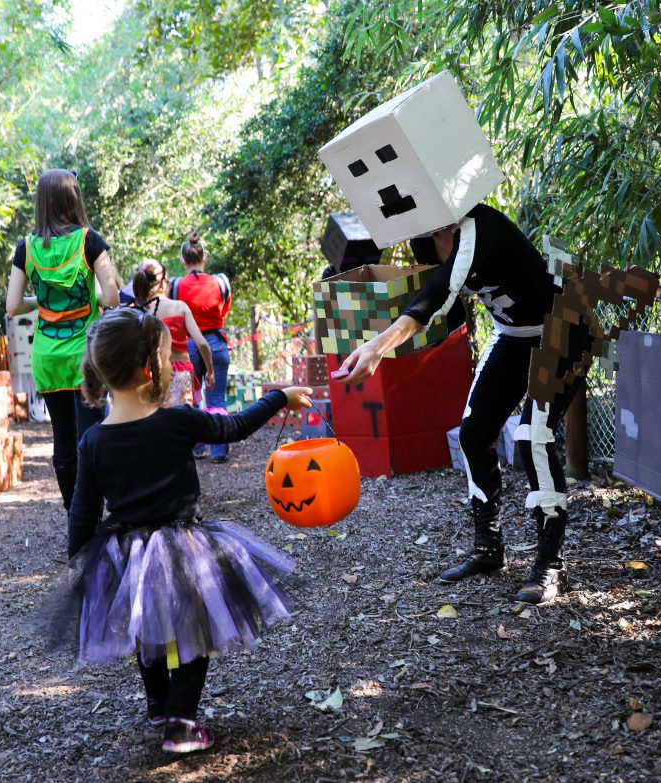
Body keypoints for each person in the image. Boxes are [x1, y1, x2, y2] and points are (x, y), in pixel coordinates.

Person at [49, 307, 312, 754]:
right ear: (145, 368)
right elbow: (234, 426)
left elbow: (82, 511)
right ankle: (181, 724)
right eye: (167, 357)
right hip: (184, 548)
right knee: (194, 631)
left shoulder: (93, 441)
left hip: (127, 553)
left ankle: (158, 702)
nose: (171, 366)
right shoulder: (179, 421)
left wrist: (83, 567)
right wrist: (279, 398)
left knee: (147, 625)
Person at [335, 203, 592, 605]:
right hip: (513, 334)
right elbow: (448, 308)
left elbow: (436, 296)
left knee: (532, 439)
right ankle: (489, 549)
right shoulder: (424, 240)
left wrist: (379, 346)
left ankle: (551, 564)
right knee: (474, 435)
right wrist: (381, 335)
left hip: (562, 331)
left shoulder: (481, 226)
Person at [5, 168, 120, 510]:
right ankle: (96, 513)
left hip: (47, 355)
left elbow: (13, 306)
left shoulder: (26, 248)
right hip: (86, 355)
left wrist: (41, 303)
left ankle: (75, 516)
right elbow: (112, 297)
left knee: (63, 440)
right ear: (74, 199)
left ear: (41, 203)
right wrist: (90, 299)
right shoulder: (89, 240)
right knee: (92, 436)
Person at [173, 231, 233, 462]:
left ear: (183, 260)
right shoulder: (220, 282)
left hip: (188, 345)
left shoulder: (176, 285)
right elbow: (224, 310)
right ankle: (219, 450)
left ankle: (198, 447)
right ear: (204, 258)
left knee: (193, 397)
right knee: (217, 398)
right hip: (216, 342)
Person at [131, 260, 215, 406]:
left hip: (151, 375)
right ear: (163, 284)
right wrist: (210, 371)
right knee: (182, 424)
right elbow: (202, 343)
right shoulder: (179, 307)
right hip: (180, 376)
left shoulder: (137, 312)